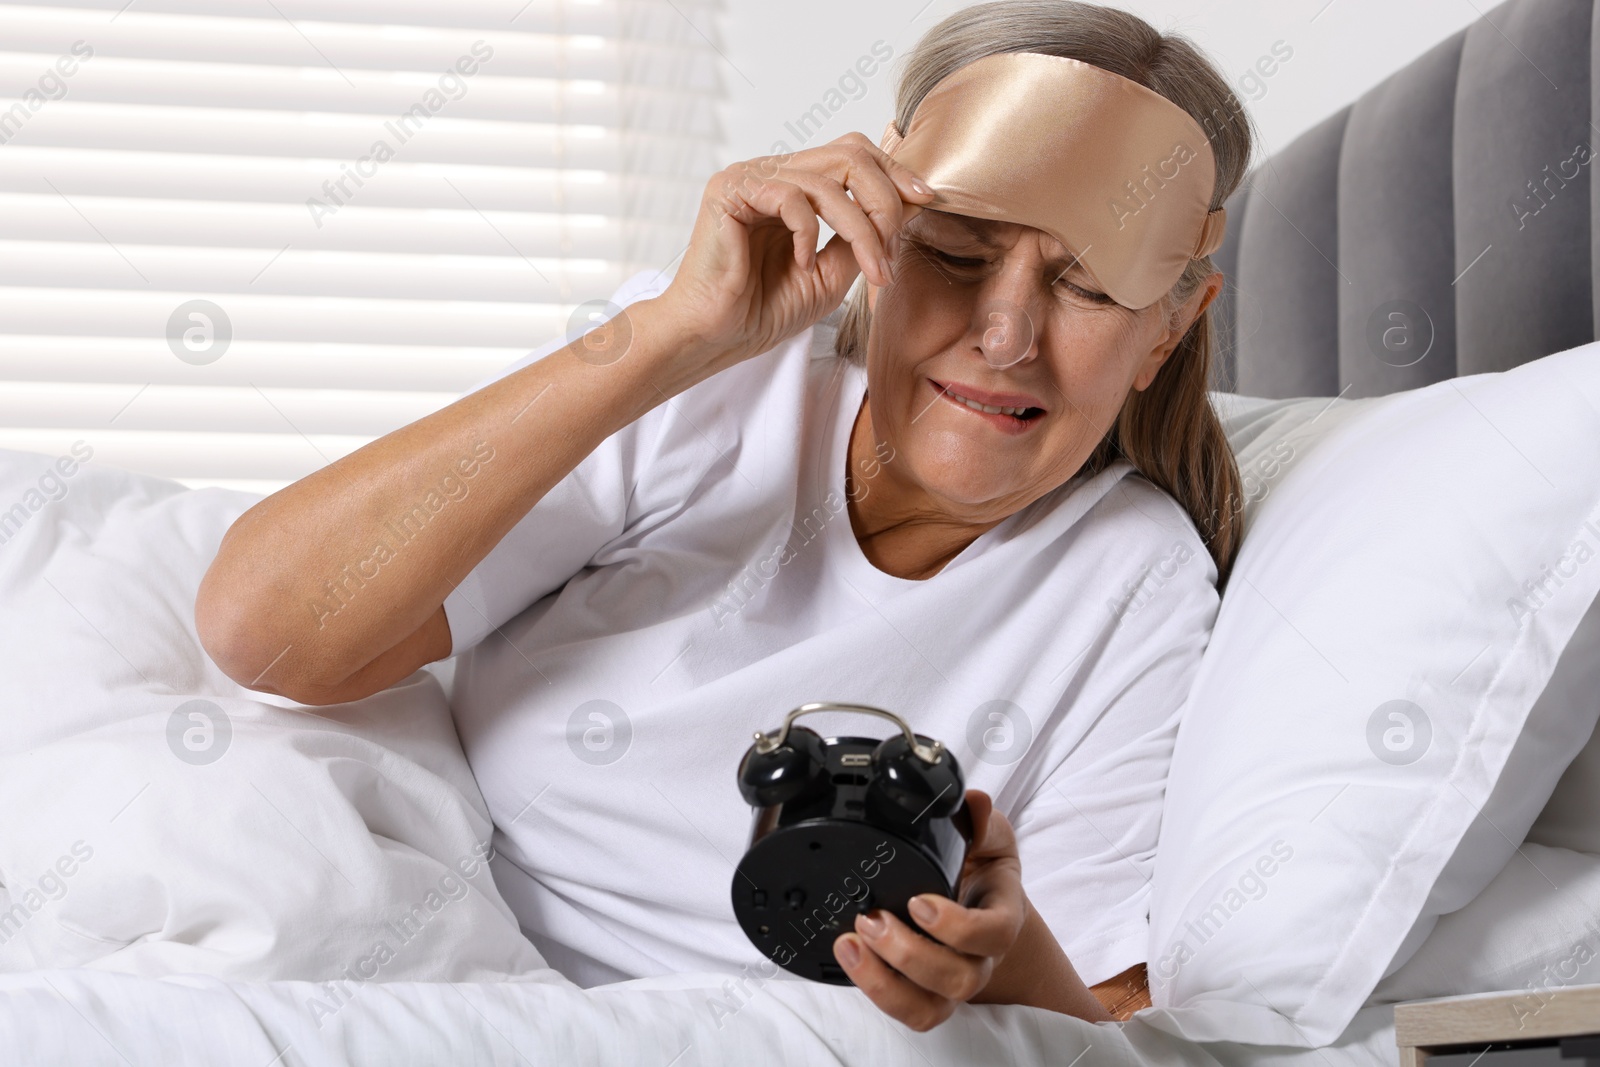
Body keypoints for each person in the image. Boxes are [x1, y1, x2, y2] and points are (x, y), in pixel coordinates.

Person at [196, 0, 1253, 1033]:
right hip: (440, 983)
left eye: (1088, 288)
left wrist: (1002, 961)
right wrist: (672, 336)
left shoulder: (1133, 584)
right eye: (959, 254)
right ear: (876, 226)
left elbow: (1112, 1030)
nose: (1007, 333)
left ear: (1166, 329)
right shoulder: (709, 391)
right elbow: (270, 633)